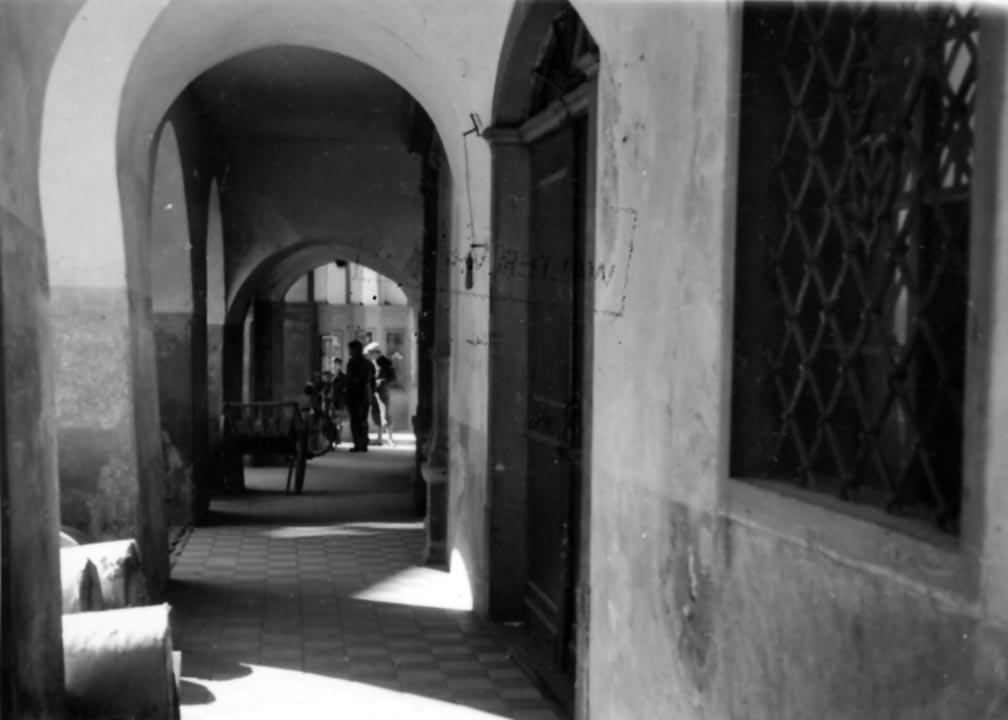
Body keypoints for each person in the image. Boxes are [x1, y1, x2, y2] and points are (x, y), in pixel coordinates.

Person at [344, 340, 375, 452]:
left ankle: (358, 443)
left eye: (350, 349)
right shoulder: (368, 363)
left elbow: (350, 380)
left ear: (355, 350)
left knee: (356, 420)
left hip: (355, 394)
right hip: (365, 394)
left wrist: (347, 392)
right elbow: (372, 380)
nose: (349, 351)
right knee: (363, 419)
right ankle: (364, 443)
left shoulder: (353, 363)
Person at [372, 354, 397, 447]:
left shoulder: (385, 370)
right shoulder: (382, 370)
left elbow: (388, 381)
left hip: (382, 394)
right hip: (379, 394)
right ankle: (380, 438)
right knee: (379, 416)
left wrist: (381, 382)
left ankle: (389, 439)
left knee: (384, 416)